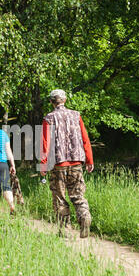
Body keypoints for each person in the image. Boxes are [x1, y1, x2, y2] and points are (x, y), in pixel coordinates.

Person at [40, 89, 94, 238]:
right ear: (64, 100)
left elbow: (45, 143)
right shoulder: (76, 115)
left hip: (58, 164)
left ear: (51, 102)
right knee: (78, 195)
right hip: (77, 163)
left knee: (60, 198)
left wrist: (43, 164)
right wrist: (89, 159)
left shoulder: (49, 118)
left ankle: (65, 230)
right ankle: (84, 217)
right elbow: (85, 138)